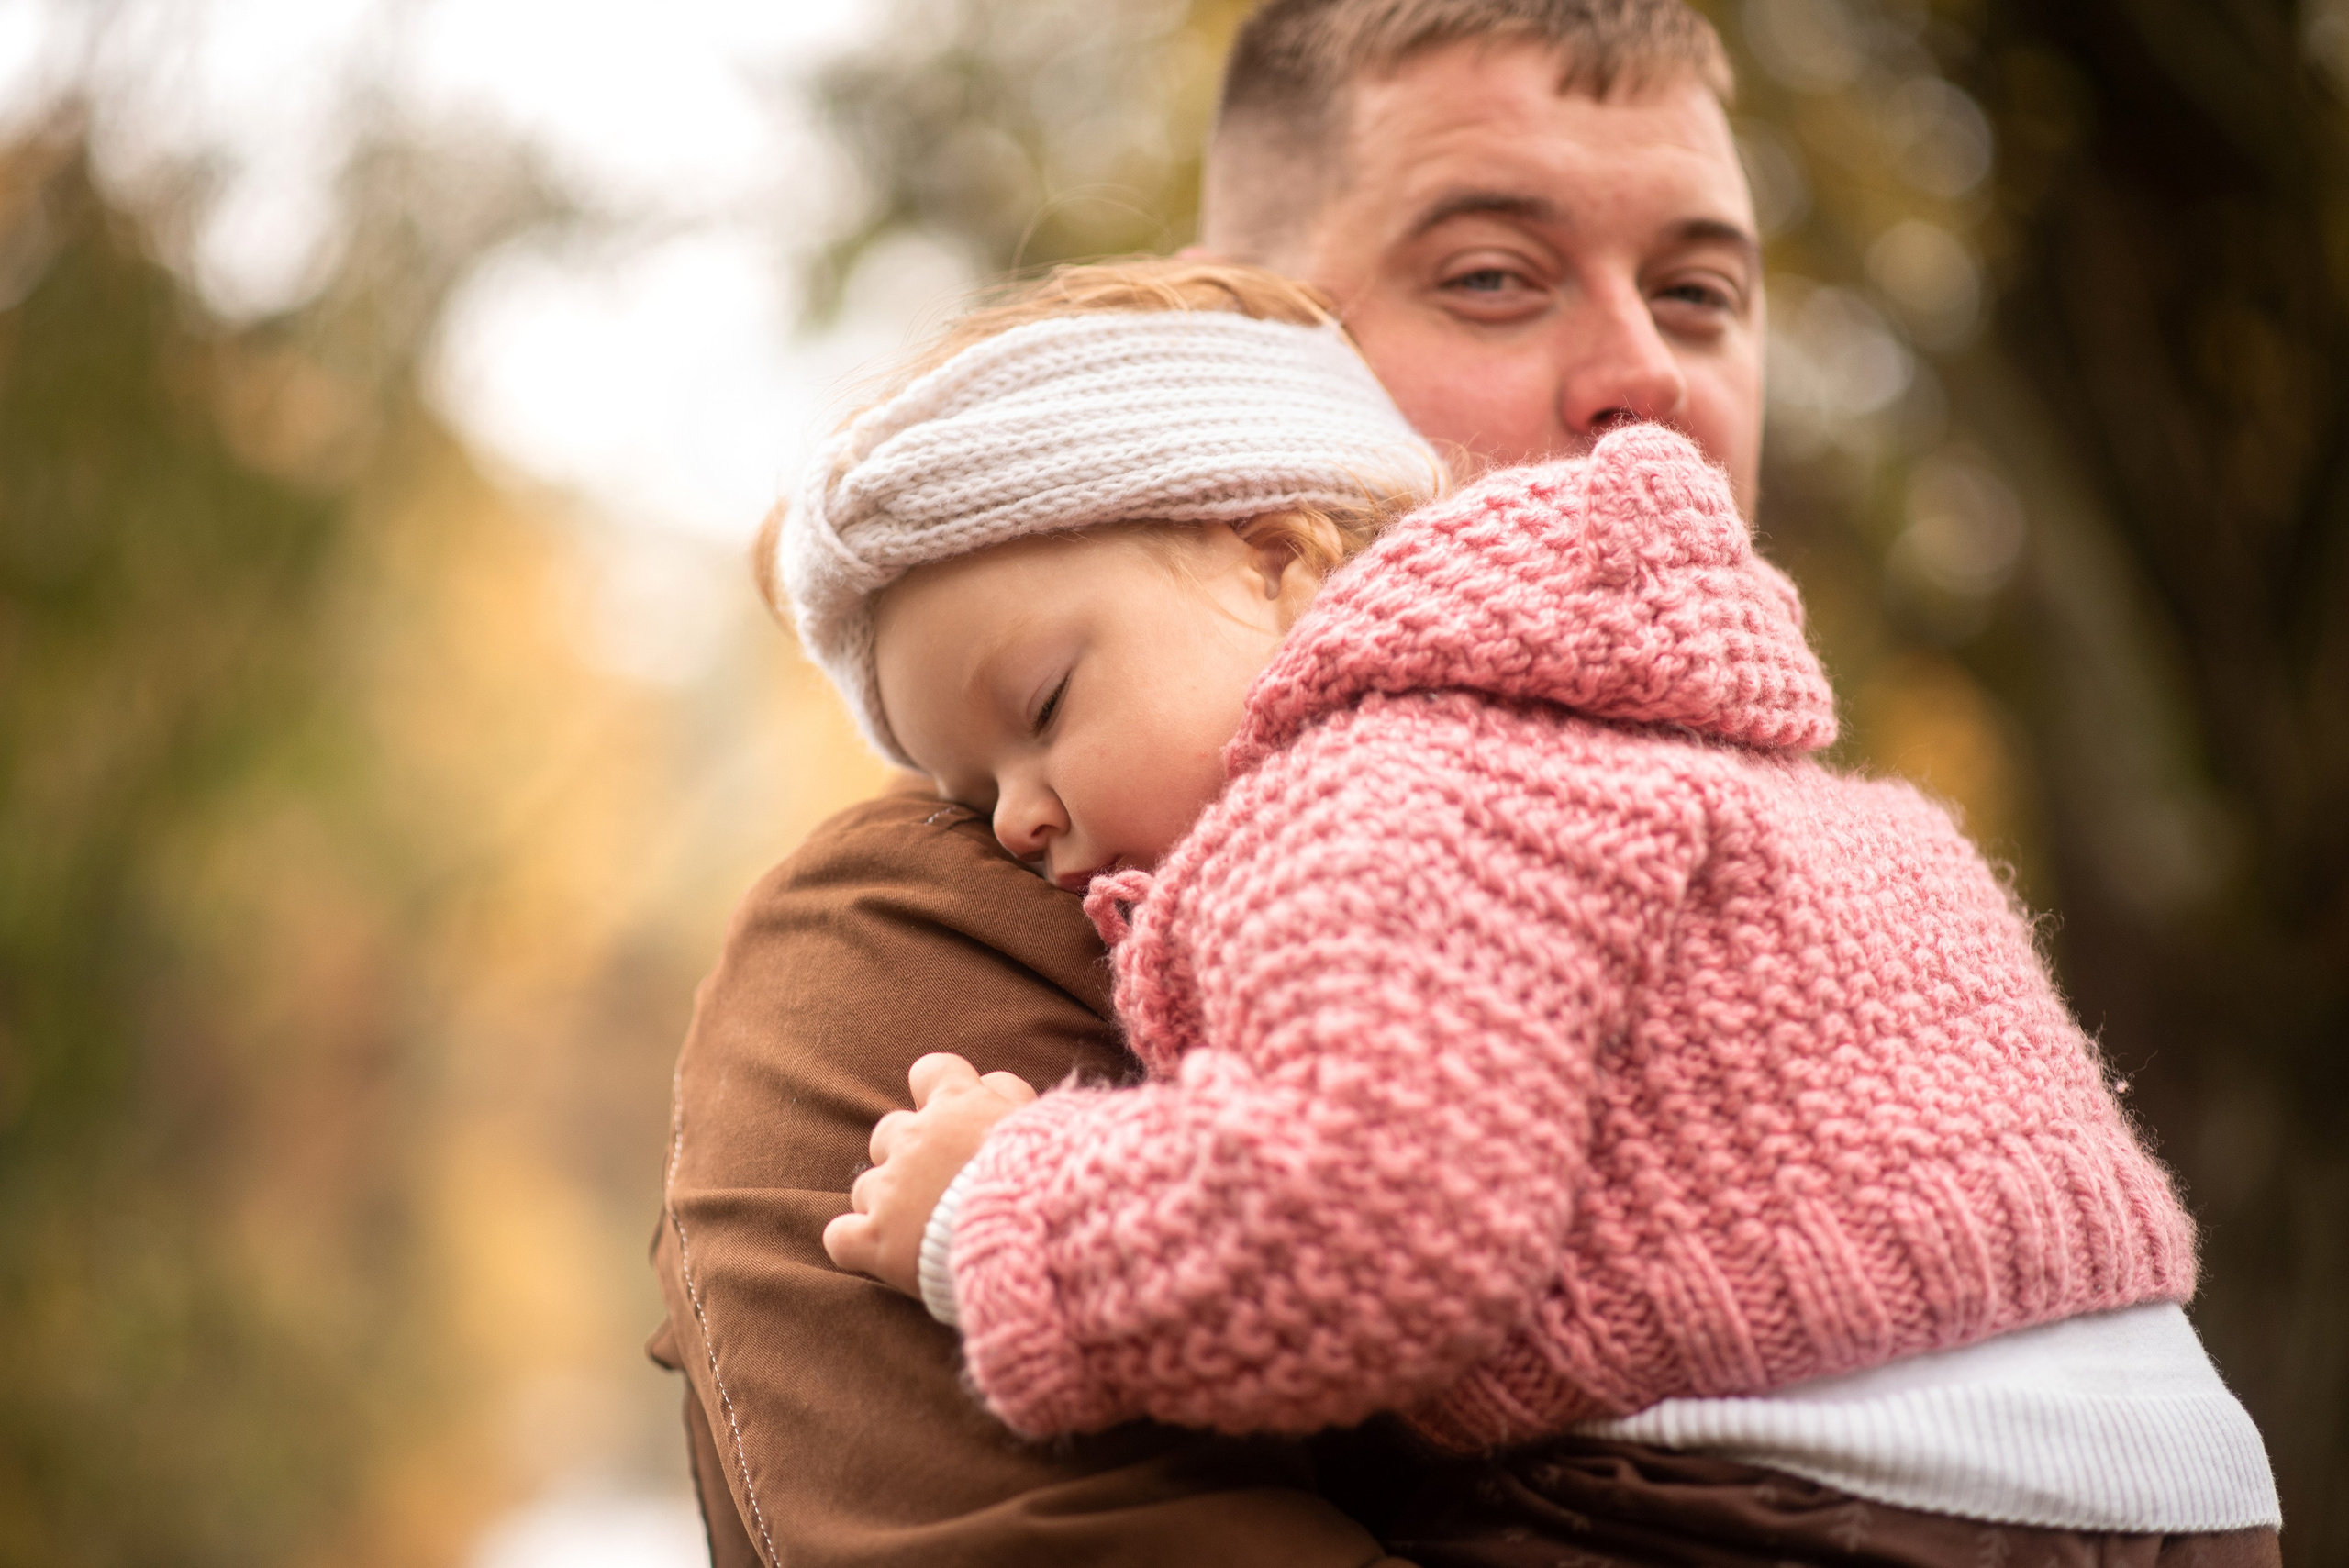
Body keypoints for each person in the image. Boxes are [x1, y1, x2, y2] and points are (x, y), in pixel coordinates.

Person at [788, 255, 2281, 1562]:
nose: (1014, 816)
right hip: (2166, 1473)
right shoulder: (1649, 737)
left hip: (1818, 1499)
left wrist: (1000, 1203)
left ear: (1277, 557)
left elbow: (1367, 1229)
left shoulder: (1372, 793)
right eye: (966, 788)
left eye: (1039, 707)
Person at [650, 1, 1767, 1562]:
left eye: (1701, 292)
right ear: (1264, 368)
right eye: (1493, 277)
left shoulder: (1795, 857)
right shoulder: (945, 934)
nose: (1645, 370)